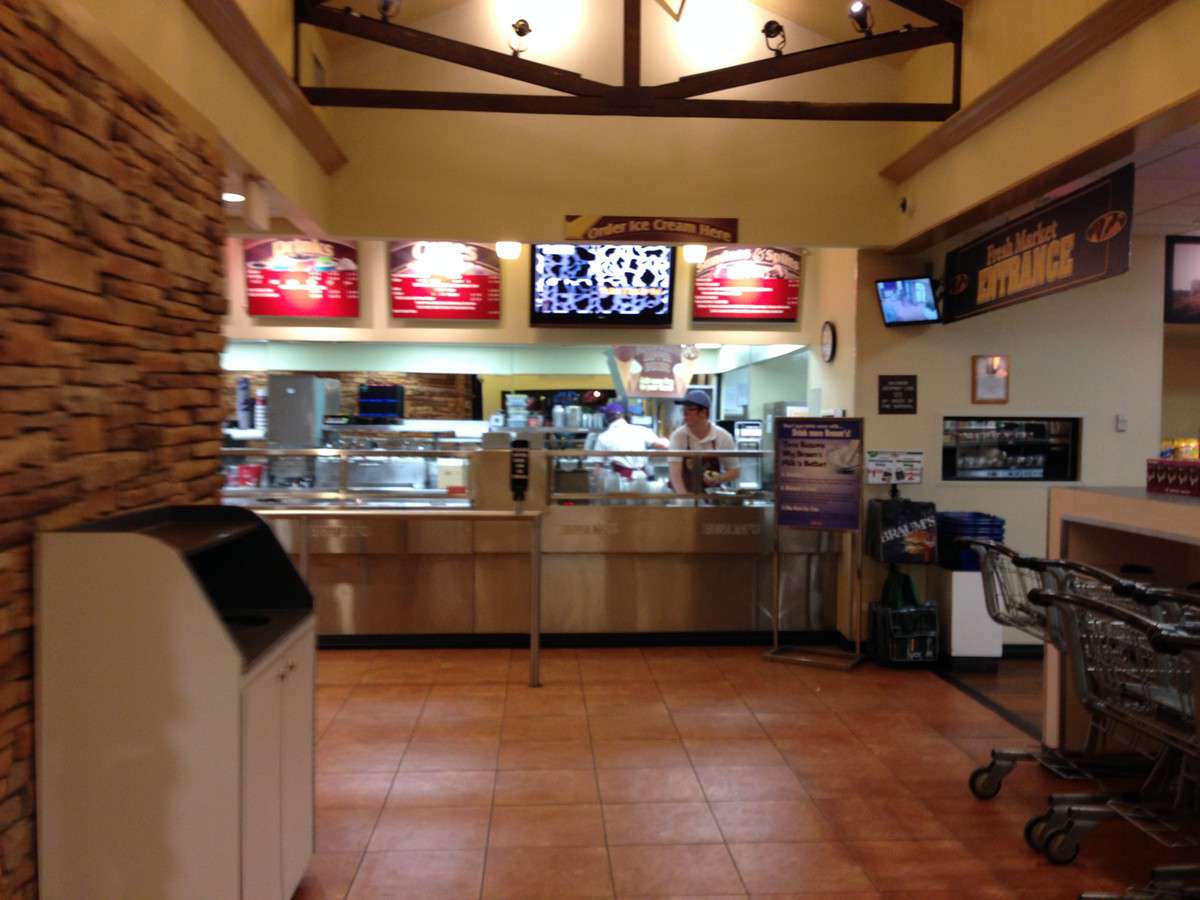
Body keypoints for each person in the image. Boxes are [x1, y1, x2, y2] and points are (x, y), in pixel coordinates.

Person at [668, 389, 740, 494]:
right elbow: (675, 474)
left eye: (690, 409)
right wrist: (684, 499)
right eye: (683, 409)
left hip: (711, 496)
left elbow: (735, 471)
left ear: (704, 412)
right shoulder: (678, 436)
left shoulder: (723, 437)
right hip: (683, 494)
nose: (684, 413)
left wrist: (720, 478)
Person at [593, 401, 668, 480]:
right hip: (642, 477)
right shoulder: (641, 430)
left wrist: (596, 482)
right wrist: (666, 439)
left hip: (620, 478)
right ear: (623, 416)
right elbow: (663, 445)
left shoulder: (603, 437)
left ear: (606, 418)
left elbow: (598, 466)